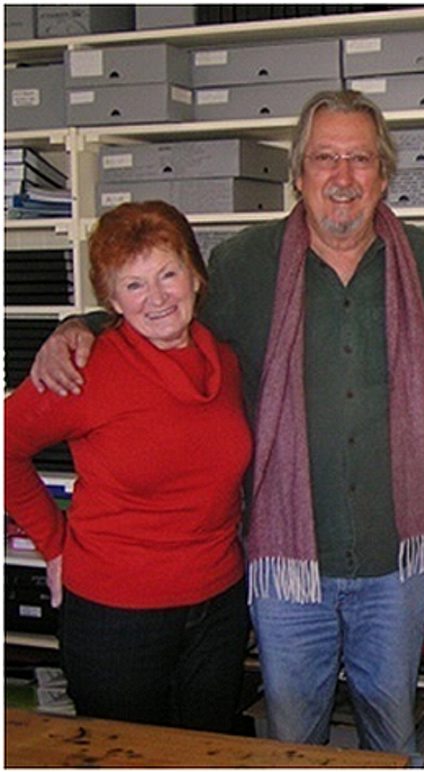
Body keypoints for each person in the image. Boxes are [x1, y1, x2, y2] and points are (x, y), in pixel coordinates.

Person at [27, 90, 424, 755]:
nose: (343, 178)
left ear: (383, 175)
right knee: (294, 739)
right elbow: (163, 317)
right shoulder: (243, 265)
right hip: (289, 565)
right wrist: (77, 326)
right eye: (325, 158)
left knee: (391, 735)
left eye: (360, 160)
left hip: (392, 565)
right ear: (298, 173)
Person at [5, 201, 252, 732]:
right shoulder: (83, 369)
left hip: (219, 609)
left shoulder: (225, 360)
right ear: (112, 298)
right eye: (134, 285)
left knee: (207, 756)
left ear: (195, 275)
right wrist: (53, 544)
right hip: (116, 618)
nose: (158, 298)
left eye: (168, 273)